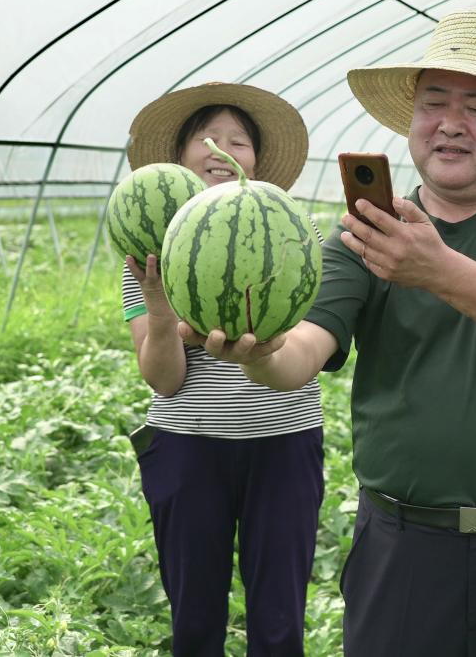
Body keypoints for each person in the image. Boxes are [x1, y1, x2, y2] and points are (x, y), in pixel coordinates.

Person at [183, 10, 476, 656]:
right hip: (403, 546)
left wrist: (438, 269)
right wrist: (260, 350)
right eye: (433, 103)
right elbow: (301, 352)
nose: (449, 121)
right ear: (411, 122)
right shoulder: (365, 232)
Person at [120, 82, 323, 656]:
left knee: (281, 621)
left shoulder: (300, 234)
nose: (222, 149)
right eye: (207, 138)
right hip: (187, 446)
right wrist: (159, 307)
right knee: (195, 617)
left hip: (285, 441)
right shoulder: (148, 252)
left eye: (239, 140)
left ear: (254, 160)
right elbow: (164, 379)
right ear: (181, 156)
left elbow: (314, 342)